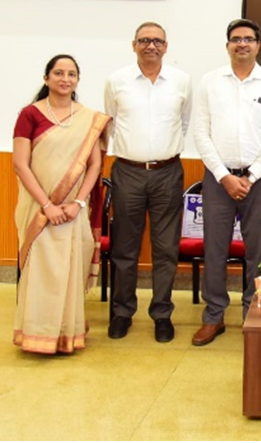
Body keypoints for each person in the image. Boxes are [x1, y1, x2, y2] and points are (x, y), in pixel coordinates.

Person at [191, 18, 261, 346]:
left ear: (258, 46)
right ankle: (214, 316)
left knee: (258, 252)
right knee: (215, 249)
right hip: (218, 178)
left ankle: (255, 312)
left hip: (258, 180)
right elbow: (201, 133)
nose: (242, 44)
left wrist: (251, 175)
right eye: (236, 39)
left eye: (248, 39)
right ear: (227, 45)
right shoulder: (210, 82)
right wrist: (224, 176)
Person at [13, 54, 109, 354]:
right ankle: (36, 335)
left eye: (71, 74)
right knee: (41, 271)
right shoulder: (30, 114)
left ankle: (68, 334)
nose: (65, 79)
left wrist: (78, 202)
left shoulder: (88, 119)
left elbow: (94, 165)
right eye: (58, 73)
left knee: (70, 269)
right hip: (39, 209)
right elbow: (20, 164)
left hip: (73, 210)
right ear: (47, 78)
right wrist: (47, 205)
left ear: (77, 80)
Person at [104, 21, 192, 343]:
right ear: (134, 45)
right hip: (127, 171)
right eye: (144, 40)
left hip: (168, 172)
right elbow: (111, 123)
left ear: (166, 47)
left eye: (157, 41)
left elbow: (184, 122)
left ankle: (162, 314)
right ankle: (122, 312)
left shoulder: (181, 81)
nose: (150, 46)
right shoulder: (117, 81)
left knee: (166, 248)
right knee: (124, 248)